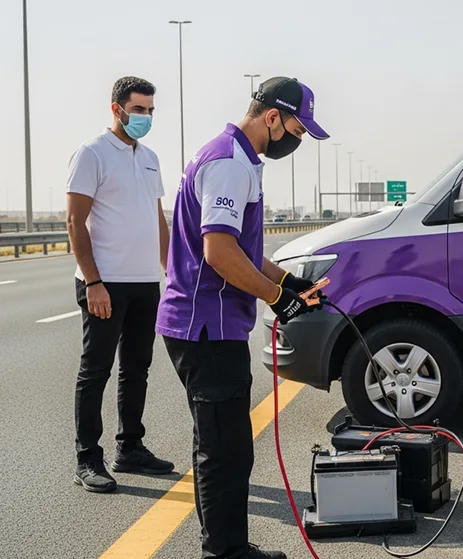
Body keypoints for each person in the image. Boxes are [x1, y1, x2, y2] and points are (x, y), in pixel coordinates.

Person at [155, 76, 329, 559]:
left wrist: (289, 282)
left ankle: (223, 545)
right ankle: (225, 552)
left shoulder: (234, 156)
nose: (297, 139)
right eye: (297, 128)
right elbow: (219, 253)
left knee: (219, 444)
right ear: (272, 117)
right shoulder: (230, 163)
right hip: (204, 326)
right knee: (225, 450)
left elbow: (245, 250)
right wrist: (277, 297)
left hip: (208, 324)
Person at [66, 76, 175, 493]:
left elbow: (157, 219)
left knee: (137, 369)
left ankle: (130, 448)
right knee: (96, 370)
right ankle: (87, 459)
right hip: (105, 282)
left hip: (145, 281)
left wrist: (171, 271)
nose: (145, 117)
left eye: (149, 110)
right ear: (117, 109)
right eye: (138, 110)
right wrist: (93, 280)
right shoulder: (92, 153)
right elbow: (75, 221)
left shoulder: (149, 157)